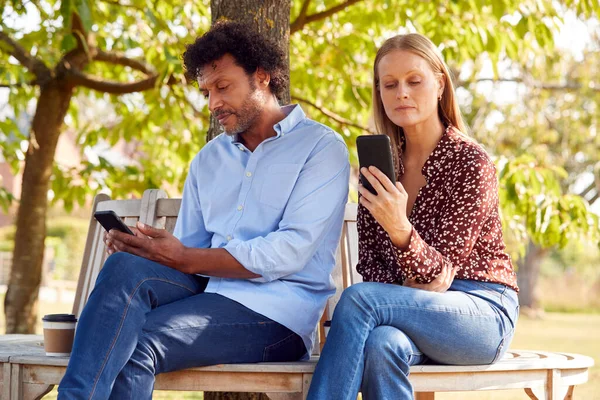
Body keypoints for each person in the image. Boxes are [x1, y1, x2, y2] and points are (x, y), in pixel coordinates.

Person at [58, 21, 350, 399]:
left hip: (278, 317)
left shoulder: (320, 148)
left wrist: (185, 256)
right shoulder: (208, 160)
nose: (213, 104)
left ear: (261, 76)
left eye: (223, 87)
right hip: (208, 294)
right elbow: (190, 251)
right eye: (207, 92)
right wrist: (150, 253)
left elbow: (290, 251)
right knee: (123, 267)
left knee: (135, 343)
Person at [307, 33, 519, 400]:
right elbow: (373, 268)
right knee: (382, 342)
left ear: (439, 83)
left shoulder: (471, 163)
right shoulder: (380, 169)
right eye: (390, 84)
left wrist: (399, 228)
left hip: (482, 312)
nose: (401, 92)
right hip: (407, 310)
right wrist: (409, 286)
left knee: (359, 299)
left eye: (414, 81)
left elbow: (442, 274)